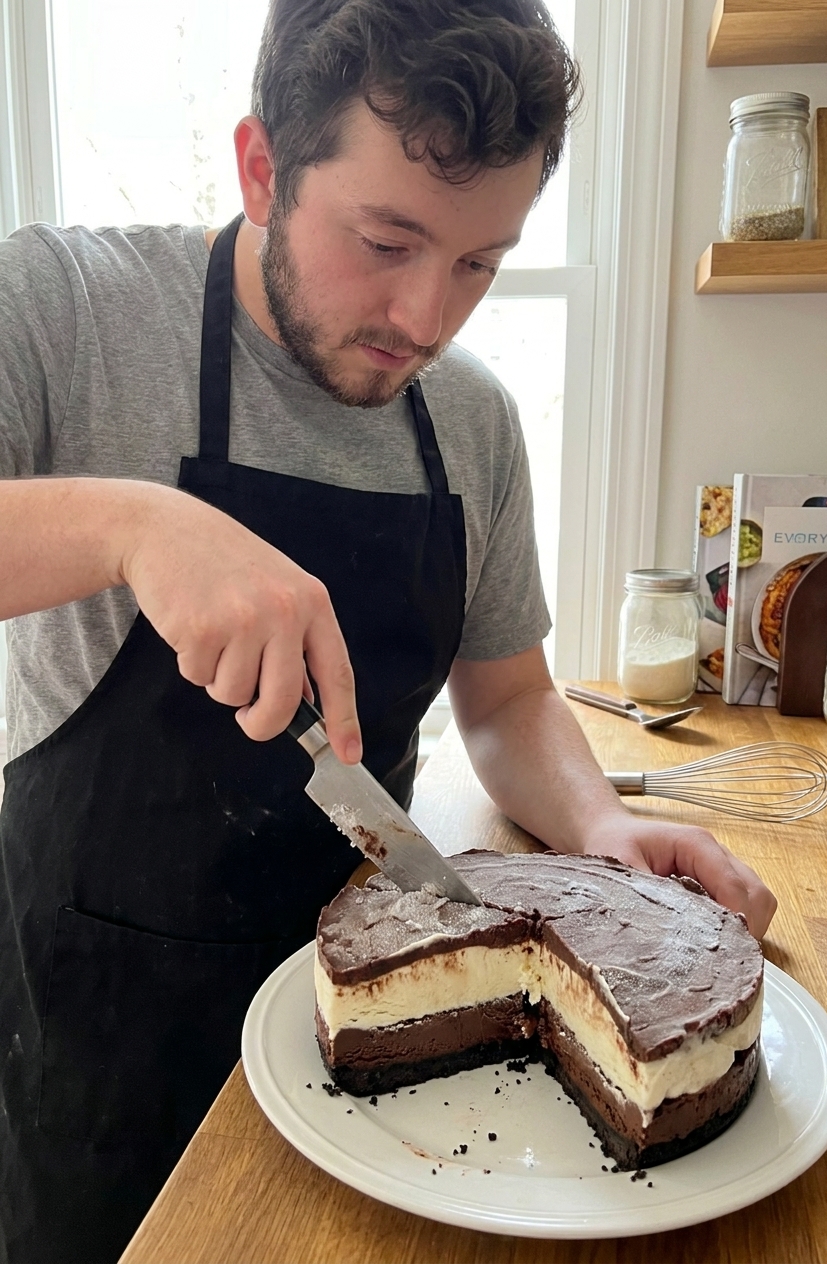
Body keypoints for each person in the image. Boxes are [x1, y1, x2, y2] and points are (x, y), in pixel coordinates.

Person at [0, 0, 776, 1259]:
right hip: (94, 1052)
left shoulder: (471, 423)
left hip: (401, 1044)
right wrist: (128, 526)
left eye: (480, 261)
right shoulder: (66, 310)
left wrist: (598, 824)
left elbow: (511, 701)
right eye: (387, 240)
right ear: (263, 166)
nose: (427, 315)